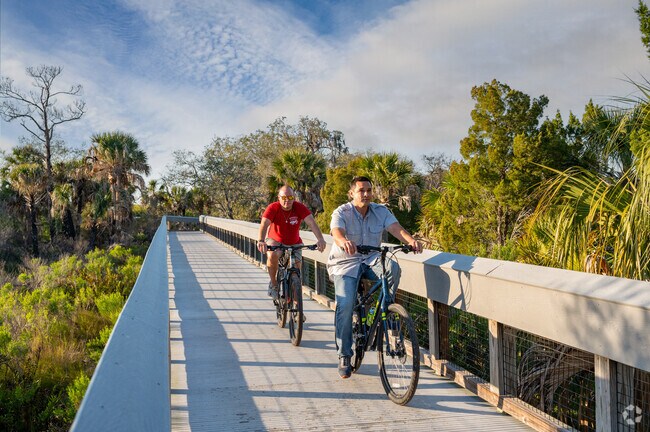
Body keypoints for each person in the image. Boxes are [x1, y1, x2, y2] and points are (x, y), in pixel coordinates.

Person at [327, 176, 422, 379]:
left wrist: (411, 241)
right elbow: (336, 231)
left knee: (393, 268)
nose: (367, 194)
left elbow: (396, 229)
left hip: (371, 259)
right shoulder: (342, 212)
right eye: (362, 190)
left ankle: (387, 313)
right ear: (352, 193)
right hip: (346, 262)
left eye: (369, 190)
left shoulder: (380, 211)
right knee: (345, 304)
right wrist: (343, 241)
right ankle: (344, 354)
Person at [257, 185, 327, 300]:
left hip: (294, 242)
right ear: (278, 198)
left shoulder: (299, 207)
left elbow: (312, 223)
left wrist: (320, 239)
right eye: (284, 198)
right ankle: (274, 284)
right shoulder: (273, 208)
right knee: (273, 255)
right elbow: (264, 224)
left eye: (290, 197)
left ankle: (296, 307)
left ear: (294, 198)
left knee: (296, 271)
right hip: (276, 240)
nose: (287, 201)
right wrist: (261, 240)